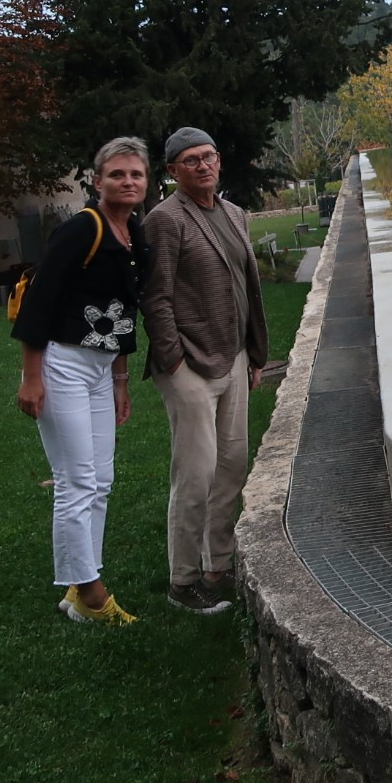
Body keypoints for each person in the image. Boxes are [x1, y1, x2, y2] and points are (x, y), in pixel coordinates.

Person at [11, 137, 151, 626]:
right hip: (62, 363)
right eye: (117, 174)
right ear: (98, 181)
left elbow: (124, 315)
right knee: (76, 482)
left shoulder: (134, 234)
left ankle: (78, 584)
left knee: (103, 480)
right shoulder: (80, 230)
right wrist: (32, 377)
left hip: (99, 368)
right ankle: (92, 595)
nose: (127, 181)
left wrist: (120, 379)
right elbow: (38, 302)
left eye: (135, 174)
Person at [144, 127, 268, 614]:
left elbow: (248, 286)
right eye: (191, 160)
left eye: (209, 156)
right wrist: (174, 358)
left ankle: (218, 562)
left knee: (232, 465)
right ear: (173, 171)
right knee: (195, 475)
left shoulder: (234, 213)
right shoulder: (164, 220)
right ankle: (183, 580)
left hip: (234, 357)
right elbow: (155, 295)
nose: (203, 165)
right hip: (189, 366)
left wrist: (254, 354)